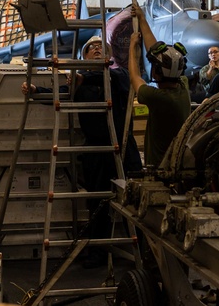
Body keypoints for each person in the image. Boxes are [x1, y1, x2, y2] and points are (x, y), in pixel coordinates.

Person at [73, 35, 142, 268]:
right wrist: (33, 88)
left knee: (135, 199)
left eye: (101, 47)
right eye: (91, 48)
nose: (96, 49)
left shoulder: (119, 75)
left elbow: (113, 77)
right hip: (95, 149)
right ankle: (98, 253)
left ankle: (144, 250)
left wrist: (83, 77)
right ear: (83, 57)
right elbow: (61, 92)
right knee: (97, 202)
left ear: (110, 56)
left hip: (123, 146)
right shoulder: (79, 81)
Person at [128, 5, 191, 169]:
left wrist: (132, 46)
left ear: (156, 73)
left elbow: (135, 76)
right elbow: (156, 52)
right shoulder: (182, 85)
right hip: (177, 164)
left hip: (160, 167)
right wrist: (142, 19)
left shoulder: (159, 98)